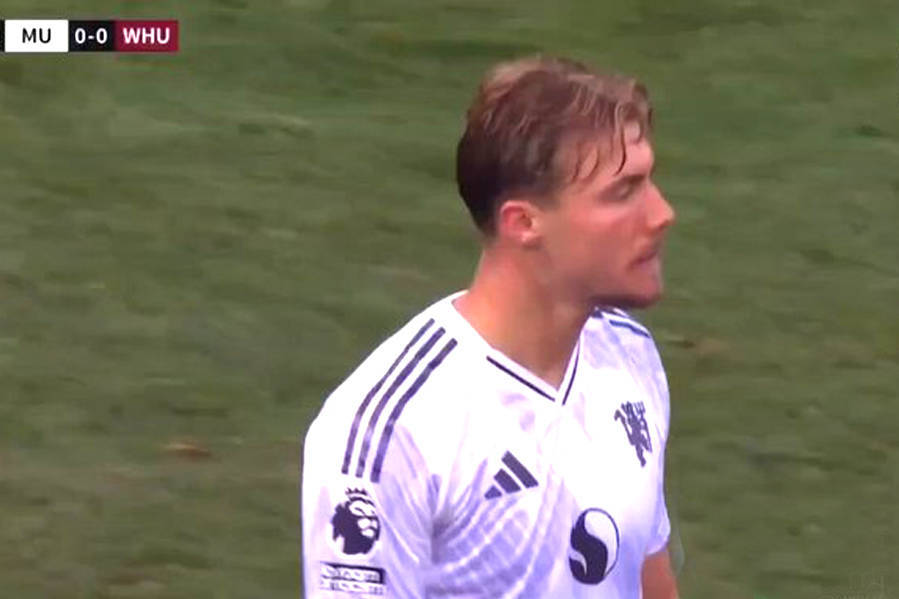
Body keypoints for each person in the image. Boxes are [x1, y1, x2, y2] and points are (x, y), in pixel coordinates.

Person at [302, 55, 679, 598]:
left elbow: (645, 575)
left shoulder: (626, 353)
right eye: (623, 192)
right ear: (524, 223)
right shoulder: (394, 431)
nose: (662, 213)